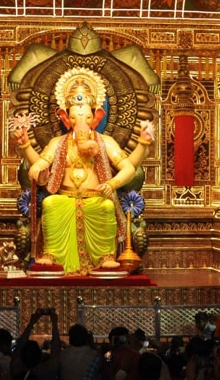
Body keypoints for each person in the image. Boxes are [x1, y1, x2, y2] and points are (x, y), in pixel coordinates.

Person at [11, 66, 155, 274]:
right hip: (65, 198)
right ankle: (51, 254)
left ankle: (105, 256)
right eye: (76, 117)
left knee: (106, 207)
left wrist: (112, 183)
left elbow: (128, 168)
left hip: (95, 198)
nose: (82, 123)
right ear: (65, 117)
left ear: (96, 118)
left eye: (87, 118)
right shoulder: (58, 143)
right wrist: (29, 153)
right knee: (51, 203)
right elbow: (41, 164)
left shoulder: (105, 142)